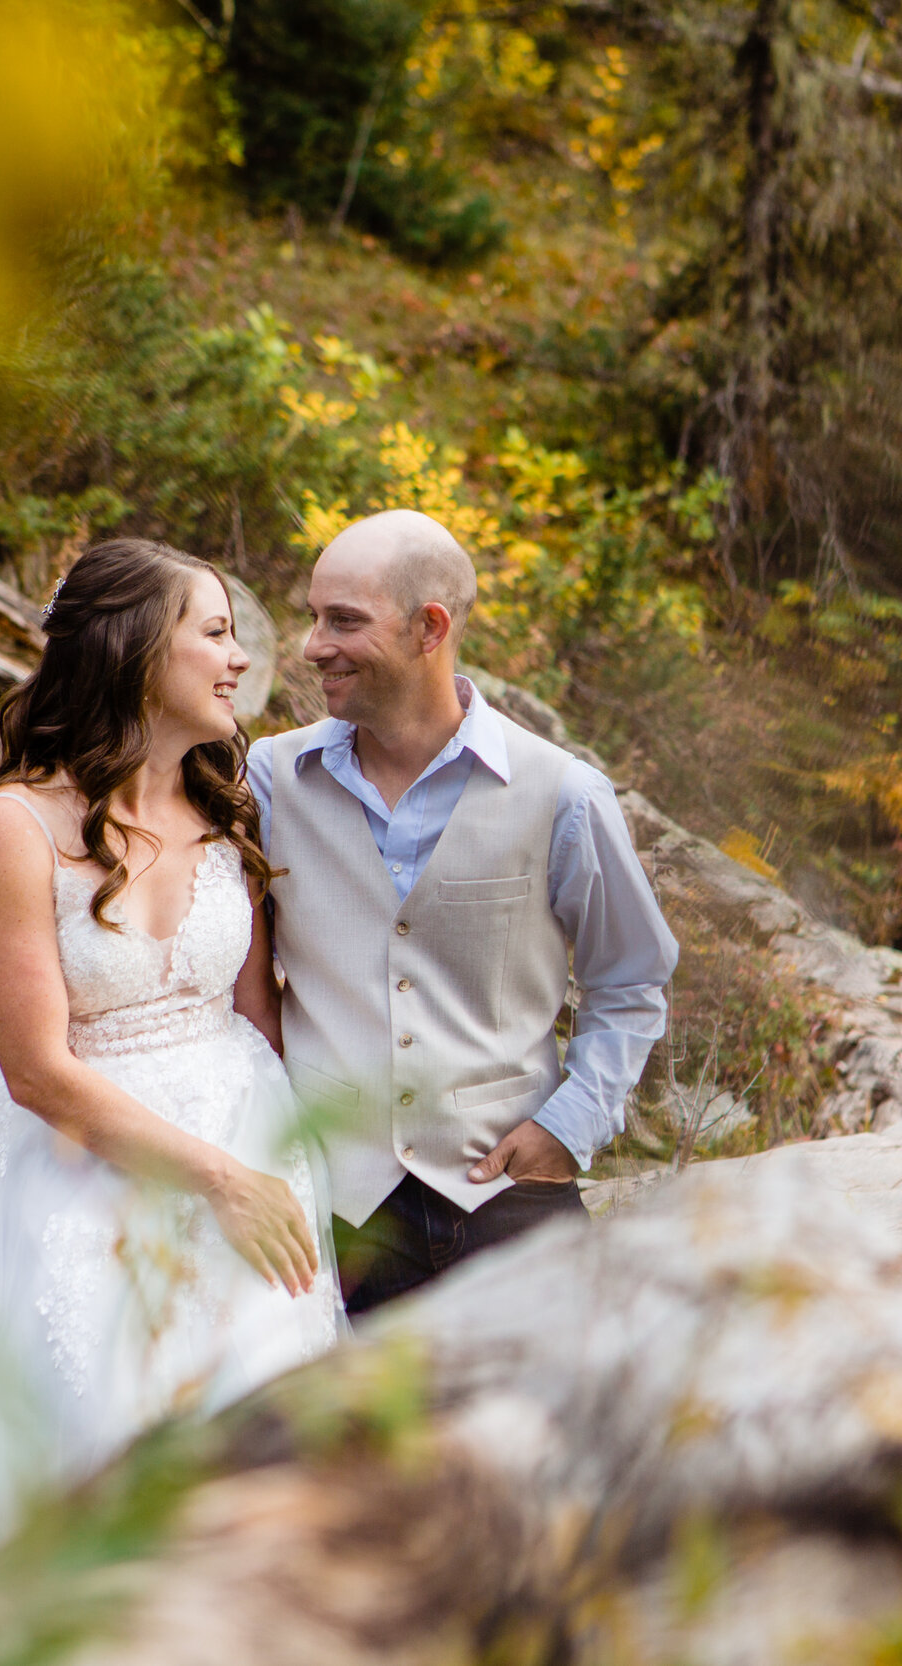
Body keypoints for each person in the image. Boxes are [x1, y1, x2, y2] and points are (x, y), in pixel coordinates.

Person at [0, 540, 342, 1592]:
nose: (237, 659)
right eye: (213, 632)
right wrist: (220, 1180)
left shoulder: (225, 804)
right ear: (134, 648)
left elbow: (258, 1014)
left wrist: (299, 1169)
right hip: (89, 1180)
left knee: (259, 1476)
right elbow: (35, 1070)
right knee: (95, 1470)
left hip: (249, 1150)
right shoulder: (18, 826)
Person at [248, 509, 677, 1314]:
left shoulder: (563, 795)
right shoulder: (271, 781)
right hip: (338, 1216)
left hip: (508, 1199)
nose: (312, 646)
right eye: (313, 618)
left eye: (343, 620)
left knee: (546, 1435)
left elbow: (631, 980)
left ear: (428, 628)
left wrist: (570, 1125)